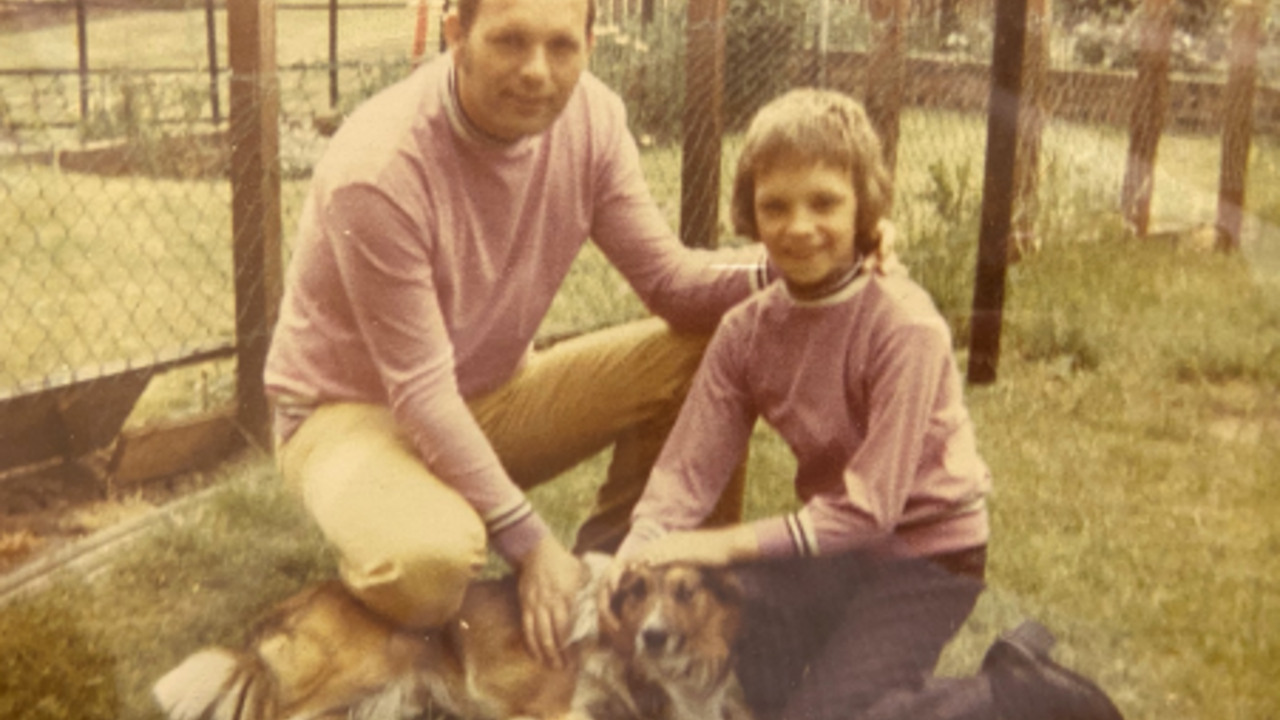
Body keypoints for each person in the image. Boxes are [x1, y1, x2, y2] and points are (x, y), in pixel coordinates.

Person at [264, 0, 768, 669]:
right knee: (431, 564)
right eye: (510, 41)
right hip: (350, 414)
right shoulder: (380, 167)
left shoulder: (592, 119)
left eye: (561, 46)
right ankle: (351, 619)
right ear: (456, 35)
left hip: (489, 391)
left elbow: (671, 284)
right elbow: (419, 393)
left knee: (711, 347)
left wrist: (805, 266)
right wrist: (532, 548)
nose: (536, 71)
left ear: (591, 43)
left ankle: (625, 588)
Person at [607, 89, 1123, 720]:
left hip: (927, 557)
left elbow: (870, 510)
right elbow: (687, 472)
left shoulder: (903, 325)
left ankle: (1016, 693)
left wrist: (720, 545)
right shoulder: (745, 330)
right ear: (749, 212)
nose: (799, 227)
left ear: (864, 208)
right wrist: (640, 548)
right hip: (832, 551)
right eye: (775, 206)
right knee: (723, 652)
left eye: (824, 202)